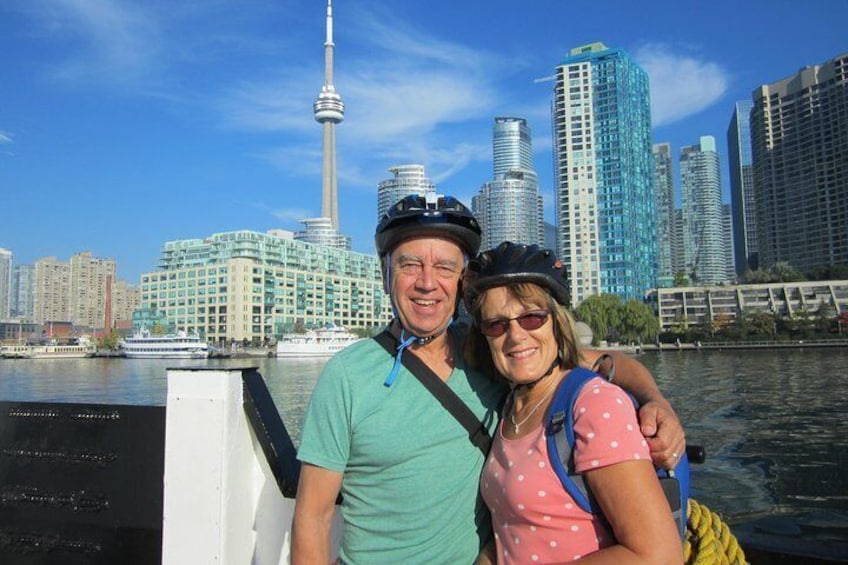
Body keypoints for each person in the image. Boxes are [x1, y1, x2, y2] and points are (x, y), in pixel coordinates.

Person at [292, 194, 684, 564]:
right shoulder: (347, 375)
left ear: (461, 281)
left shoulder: (491, 348)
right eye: (410, 264)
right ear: (387, 274)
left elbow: (603, 363)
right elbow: (314, 516)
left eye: (445, 266)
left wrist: (656, 400)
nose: (427, 282)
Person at [463, 241, 682, 563]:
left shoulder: (593, 404)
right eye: (496, 324)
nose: (515, 336)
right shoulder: (512, 403)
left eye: (532, 318)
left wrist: (656, 400)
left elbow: (659, 556)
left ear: (557, 321)